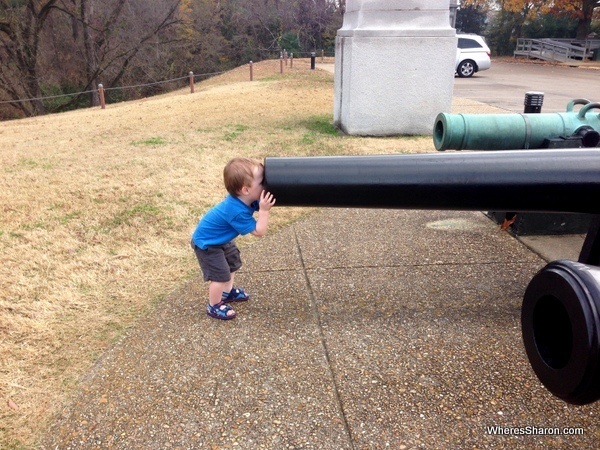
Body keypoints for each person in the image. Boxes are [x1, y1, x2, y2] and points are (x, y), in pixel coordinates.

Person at [191, 157, 276, 320]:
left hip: (220, 240)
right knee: (220, 275)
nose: (265, 185)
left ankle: (227, 293)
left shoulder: (246, 198)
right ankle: (214, 305)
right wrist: (264, 212)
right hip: (207, 244)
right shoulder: (236, 210)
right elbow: (259, 232)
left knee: (232, 263)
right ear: (245, 190)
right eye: (262, 182)